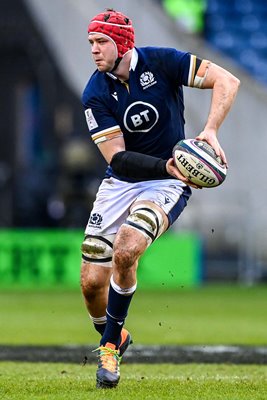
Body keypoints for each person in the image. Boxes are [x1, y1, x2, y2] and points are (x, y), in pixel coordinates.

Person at [80, 8, 240, 389]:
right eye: (90, 43)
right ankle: (115, 334)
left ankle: (107, 351)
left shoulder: (162, 62)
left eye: (101, 41)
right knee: (90, 282)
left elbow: (227, 80)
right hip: (124, 180)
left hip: (166, 185)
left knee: (126, 250)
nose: (94, 50)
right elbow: (118, 158)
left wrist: (211, 131)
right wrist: (169, 165)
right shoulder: (95, 92)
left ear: (123, 43)